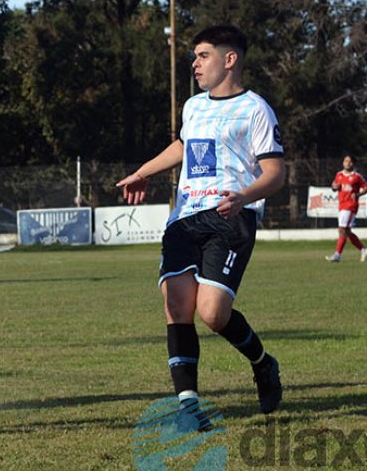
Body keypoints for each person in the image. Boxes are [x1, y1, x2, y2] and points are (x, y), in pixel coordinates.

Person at [117, 25, 286, 426]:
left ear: (230, 60)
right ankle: (189, 408)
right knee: (177, 306)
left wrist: (245, 196)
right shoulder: (193, 106)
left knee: (212, 313)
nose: (194, 63)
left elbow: (276, 172)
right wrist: (144, 171)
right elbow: (183, 144)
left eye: (203, 55)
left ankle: (262, 363)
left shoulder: (256, 109)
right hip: (186, 216)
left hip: (231, 217)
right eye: (194, 56)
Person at [325, 155, 367, 263]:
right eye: (345, 160)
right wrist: (334, 187)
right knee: (346, 231)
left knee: (342, 229)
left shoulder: (356, 176)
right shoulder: (339, 175)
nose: (347, 163)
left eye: (349, 161)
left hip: (351, 205)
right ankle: (363, 250)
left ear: (353, 163)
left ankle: (337, 255)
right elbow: (334, 186)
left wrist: (358, 194)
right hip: (342, 205)